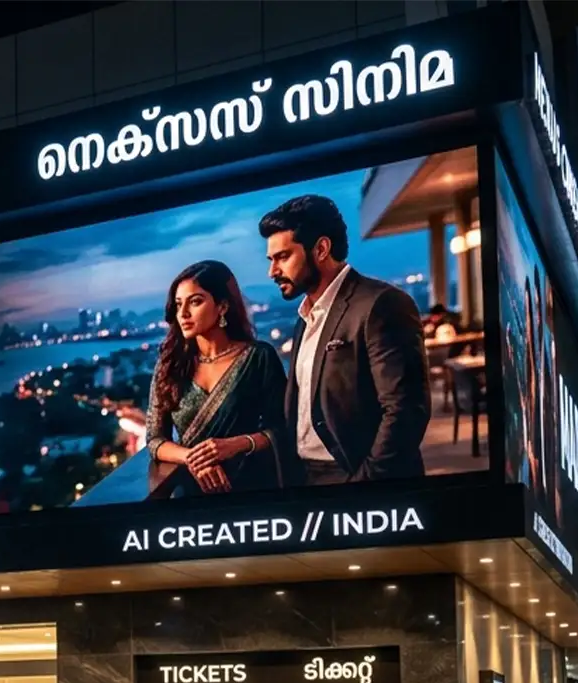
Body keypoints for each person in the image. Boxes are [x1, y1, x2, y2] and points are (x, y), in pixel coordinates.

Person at [261, 194, 430, 485]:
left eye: (283, 257)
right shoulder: (304, 317)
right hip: (305, 479)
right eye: (271, 260)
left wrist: (364, 483)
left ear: (322, 249)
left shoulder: (382, 304)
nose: (272, 272)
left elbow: (405, 411)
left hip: (358, 479)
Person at [145, 259, 288, 497]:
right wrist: (194, 459)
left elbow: (282, 429)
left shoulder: (258, 357)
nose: (183, 314)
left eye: (196, 302)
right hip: (192, 489)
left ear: (222, 307)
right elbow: (154, 439)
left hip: (252, 486)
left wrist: (234, 445)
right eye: (179, 304)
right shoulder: (170, 365)